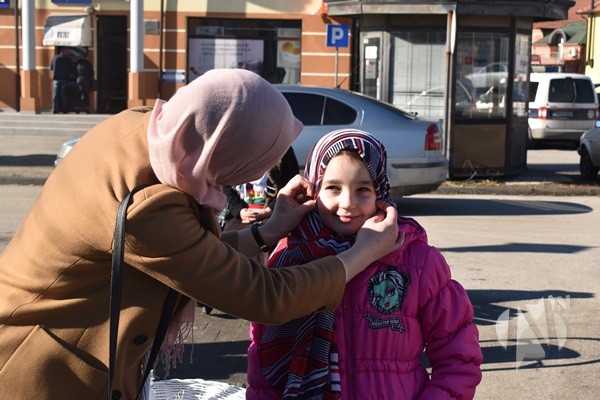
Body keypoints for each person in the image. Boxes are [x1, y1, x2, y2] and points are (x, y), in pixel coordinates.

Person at [0, 69, 402, 399]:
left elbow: (191, 254)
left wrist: (268, 230)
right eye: (255, 163)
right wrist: (362, 253)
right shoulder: (149, 206)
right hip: (42, 373)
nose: (249, 177)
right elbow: (264, 295)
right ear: (222, 152)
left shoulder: (151, 130)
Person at [247, 129, 483, 399]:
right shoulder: (290, 255)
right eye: (333, 187)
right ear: (313, 190)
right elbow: (263, 361)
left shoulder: (417, 260)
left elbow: (459, 359)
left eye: (363, 189)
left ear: (380, 191)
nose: (348, 203)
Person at [50, 47, 74, 114]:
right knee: (63, 95)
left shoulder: (54, 58)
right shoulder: (68, 59)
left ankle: (55, 109)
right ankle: (64, 110)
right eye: (67, 51)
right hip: (64, 79)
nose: (68, 52)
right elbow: (71, 69)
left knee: (56, 94)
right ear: (63, 51)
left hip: (56, 78)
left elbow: (51, 67)